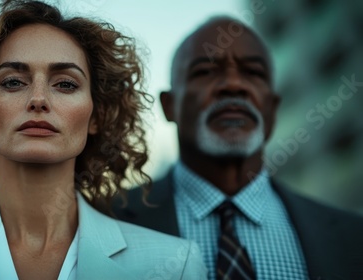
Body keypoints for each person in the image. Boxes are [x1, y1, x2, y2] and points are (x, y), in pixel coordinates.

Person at [0, 1, 208, 279]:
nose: (39, 99)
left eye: (66, 84)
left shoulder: (174, 266)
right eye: (13, 81)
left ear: (96, 116)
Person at [114, 16, 363, 280]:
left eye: (253, 73)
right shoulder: (104, 220)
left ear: (273, 108)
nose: (233, 85)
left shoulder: (353, 237)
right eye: (205, 71)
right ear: (170, 105)